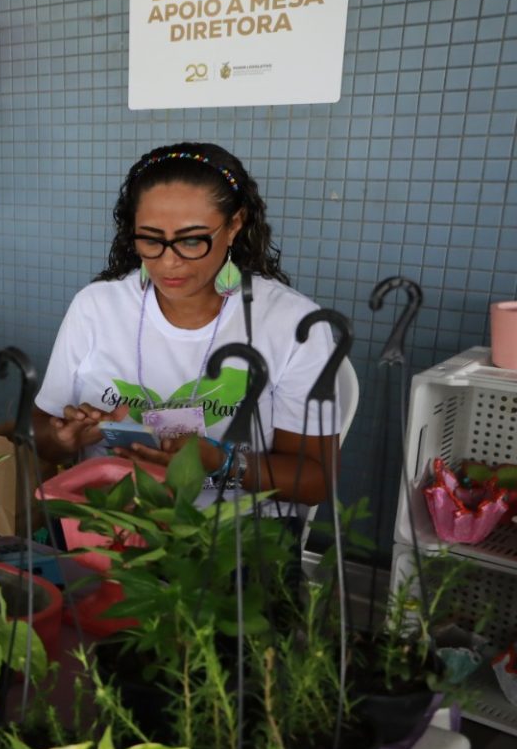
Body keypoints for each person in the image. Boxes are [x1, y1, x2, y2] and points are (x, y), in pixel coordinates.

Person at [34, 142, 337, 507]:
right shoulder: (96, 307)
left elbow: (316, 481)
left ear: (234, 226)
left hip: (231, 538)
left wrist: (223, 463)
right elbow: (41, 435)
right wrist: (64, 440)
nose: (169, 262)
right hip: (110, 526)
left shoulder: (292, 324)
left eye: (192, 240)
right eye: (150, 239)